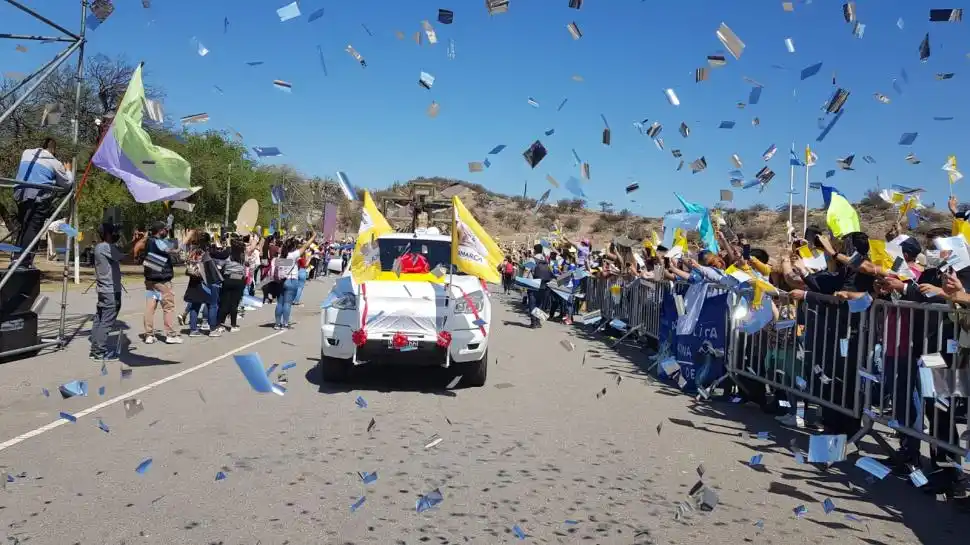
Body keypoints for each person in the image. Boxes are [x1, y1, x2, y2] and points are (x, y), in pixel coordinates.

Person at [12, 138, 74, 268]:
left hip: (20, 194)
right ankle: (24, 261)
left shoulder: (26, 153)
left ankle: (16, 258)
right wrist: (68, 170)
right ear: (53, 150)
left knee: (24, 226)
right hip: (38, 198)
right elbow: (67, 184)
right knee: (33, 228)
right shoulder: (55, 163)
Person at [133, 221, 182, 344]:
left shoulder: (149, 241)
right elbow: (175, 249)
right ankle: (170, 334)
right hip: (162, 280)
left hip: (150, 280)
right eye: (165, 229)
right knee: (168, 307)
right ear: (160, 231)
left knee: (150, 307)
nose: (166, 231)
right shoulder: (159, 242)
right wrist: (186, 239)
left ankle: (149, 334)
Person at [90, 223, 122, 360]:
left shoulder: (100, 247)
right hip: (110, 290)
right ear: (108, 234)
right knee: (107, 321)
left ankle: (95, 349)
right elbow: (126, 256)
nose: (116, 235)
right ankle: (99, 351)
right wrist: (137, 242)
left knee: (100, 318)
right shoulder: (105, 247)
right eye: (114, 232)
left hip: (104, 289)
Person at [273, 237, 310, 329]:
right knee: (287, 303)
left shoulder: (281, 257)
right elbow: (305, 246)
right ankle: (285, 323)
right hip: (291, 281)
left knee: (280, 303)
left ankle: (277, 323)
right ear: (293, 247)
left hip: (281, 281)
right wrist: (313, 237)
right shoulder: (293, 255)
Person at [214, 236, 246, 333]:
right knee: (234, 304)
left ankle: (219, 324)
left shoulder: (228, 255)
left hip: (228, 278)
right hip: (239, 279)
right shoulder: (242, 256)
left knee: (224, 303)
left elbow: (220, 265)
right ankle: (233, 325)